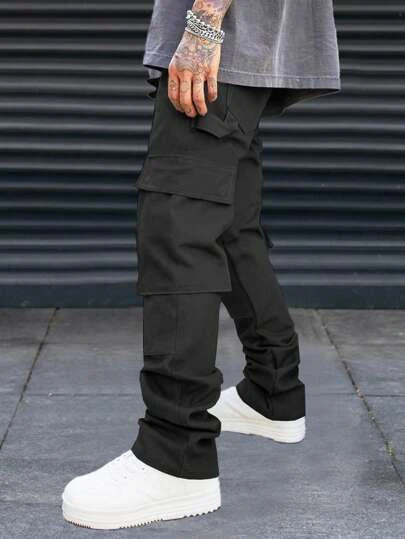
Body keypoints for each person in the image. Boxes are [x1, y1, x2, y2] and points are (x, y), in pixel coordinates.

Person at [61, 0, 340, 530]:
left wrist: (203, 24)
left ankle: (176, 454)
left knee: (177, 221)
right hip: (251, 38)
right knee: (229, 221)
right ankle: (274, 391)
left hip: (225, 36)